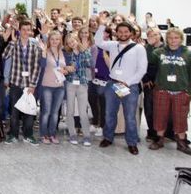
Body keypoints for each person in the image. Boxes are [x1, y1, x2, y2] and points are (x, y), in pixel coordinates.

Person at [95, 17, 147, 155]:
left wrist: (128, 82)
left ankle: (131, 142)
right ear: (116, 33)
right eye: (120, 31)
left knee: (129, 116)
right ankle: (108, 137)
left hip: (130, 86)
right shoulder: (112, 45)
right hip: (113, 84)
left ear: (131, 33)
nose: (123, 34)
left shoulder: (139, 48)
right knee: (109, 114)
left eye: (126, 31)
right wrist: (101, 25)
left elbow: (142, 69)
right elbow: (98, 42)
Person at [148, 28, 191, 154]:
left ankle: (181, 142)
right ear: (166, 39)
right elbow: (149, 64)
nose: (173, 40)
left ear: (181, 39)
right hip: (162, 90)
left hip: (181, 91)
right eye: (170, 38)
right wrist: (149, 46)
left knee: (180, 118)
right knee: (160, 115)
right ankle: (159, 139)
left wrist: (188, 91)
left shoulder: (187, 54)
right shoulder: (158, 52)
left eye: (176, 38)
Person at [2, 20, 41, 146]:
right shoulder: (14, 44)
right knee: (14, 111)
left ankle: (28, 135)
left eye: (28, 29)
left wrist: (33, 85)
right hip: (16, 83)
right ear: (19, 30)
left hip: (29, 84)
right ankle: (13, 134)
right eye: (23, 29)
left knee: (29, 111)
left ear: (31, 31)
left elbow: (36, 67)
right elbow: (4, 55)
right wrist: (12, 42)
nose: (25, 32)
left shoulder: (34, 46)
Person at [64, 35, 93, 146]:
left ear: (77, 40)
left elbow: (89, 63)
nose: (72, 44)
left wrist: (84, 51)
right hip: (70, 83)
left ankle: (86, 136)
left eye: (73, 41)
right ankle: (72, 134)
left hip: (82, 84)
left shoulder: (85, 51)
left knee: (83, 112)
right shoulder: (67, 54)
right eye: (69, 43)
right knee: (70, 110)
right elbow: (64, 66)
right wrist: (66, 68)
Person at [39, 31, 67, 144]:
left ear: (60, 40)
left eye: (57, 39)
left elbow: (66, 67)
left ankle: (52, 134)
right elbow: (42, 65)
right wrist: (44, 53)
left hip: (60, 86)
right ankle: (43, 134)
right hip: (47, 86)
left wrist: (66, 70)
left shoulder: (63, 52)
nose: (55, 41)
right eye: (52, 39)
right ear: (49, 40)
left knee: (55, 113)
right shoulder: (45, 51)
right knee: (46, 112)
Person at [143, 27, 164, 142]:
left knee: (162, 110)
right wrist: (145, 79)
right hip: (148, 83)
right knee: (149, 109)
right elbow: (141, 65)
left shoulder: (166, 48)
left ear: (160, 35)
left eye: (156, 34)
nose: (153, 37)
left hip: (161, 83)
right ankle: (151, 132)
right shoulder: (145, 49)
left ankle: (164, 132)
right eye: (150, 35)